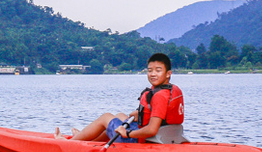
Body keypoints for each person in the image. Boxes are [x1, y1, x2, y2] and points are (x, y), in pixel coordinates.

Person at [55, 52, 187, 144]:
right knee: (120, 115)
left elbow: (152, 129)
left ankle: (70, 142)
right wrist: (141, 114)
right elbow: (163, 116)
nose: (153, 74)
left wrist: (127, 133)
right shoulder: (172, 89)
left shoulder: (160, 96)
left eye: (158, 71)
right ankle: (84, 139)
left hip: (146, 139)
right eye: (150, 70)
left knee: (106, 117)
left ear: (168, 74)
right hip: (166, 136)